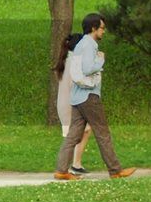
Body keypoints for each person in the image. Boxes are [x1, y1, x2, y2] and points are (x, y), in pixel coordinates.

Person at [54, 13, 136, 180]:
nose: (103, 32)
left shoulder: (79, 45)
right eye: (101, 28)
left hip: (77, 98)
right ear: (93, 28)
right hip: (89, 97)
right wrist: (101, 60)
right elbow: (88, 68)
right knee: (103, 133)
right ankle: (115, 171)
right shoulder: (89, 44)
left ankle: (61, 171)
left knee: (73, 136)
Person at [54, 33, 94, 175]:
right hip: (71, 104)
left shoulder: (66, 60)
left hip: (64, 104)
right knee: (81, 132)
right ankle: (71, 165)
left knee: (79, 133)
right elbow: (77, 83)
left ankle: (73, 165)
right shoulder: (73, 62)